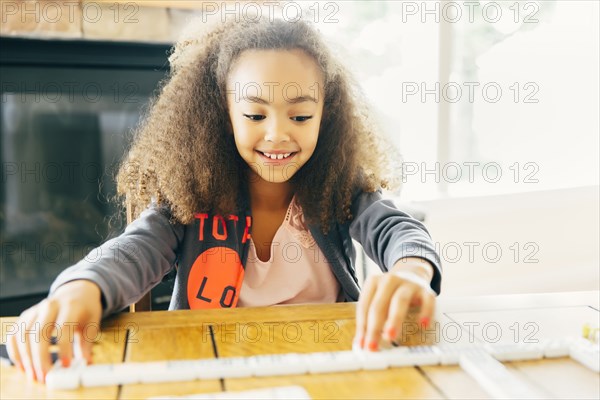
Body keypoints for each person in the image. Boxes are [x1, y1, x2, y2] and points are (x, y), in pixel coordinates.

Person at [7, 11, 442, 384]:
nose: (277, 133)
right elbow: (134, 250)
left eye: (301, 115)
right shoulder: (192, 197)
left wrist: (412, 271)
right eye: (255, 114)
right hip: (213, 367)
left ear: (325, 116)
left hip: (329, 364)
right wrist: (82, 286)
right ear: (223, 113)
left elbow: (397, 228)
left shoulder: (340, 188)